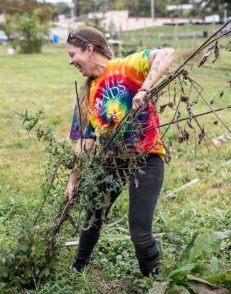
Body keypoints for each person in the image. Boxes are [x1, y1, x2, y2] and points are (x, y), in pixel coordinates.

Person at [65, 27, 174, 276]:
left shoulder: (127, 67)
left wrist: (145, 88)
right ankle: (77, 268)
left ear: (89, 49)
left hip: (146, 158)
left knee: (139, 231)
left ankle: (153, 281)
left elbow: (167, 53)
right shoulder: (87, 94)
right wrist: (73, 179)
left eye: (73, 54)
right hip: (110, 162)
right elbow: (84, 142)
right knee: (93, 215)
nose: (71, 61)